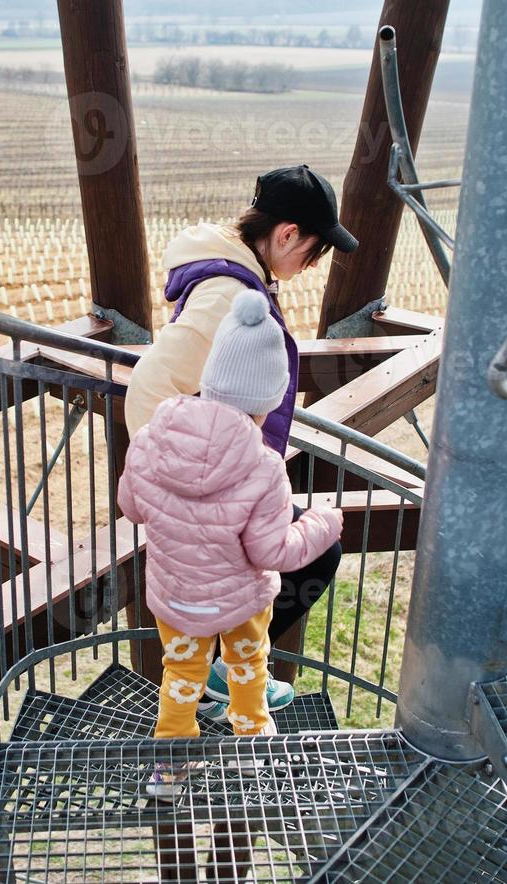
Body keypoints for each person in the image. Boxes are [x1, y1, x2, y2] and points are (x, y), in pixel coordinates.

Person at [122, 163, 357, 717]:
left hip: (190, 461)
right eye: (315, 252)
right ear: (287, 234)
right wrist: (209, 475)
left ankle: (194, 701)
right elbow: (161, 380)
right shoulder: (229, 291)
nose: (311, 266)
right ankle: (231, 678)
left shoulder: (228, 271)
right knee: (310, 557)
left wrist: (160, 466)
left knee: (216, 590)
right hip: (202, 469)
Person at [118, 291, 344, 798]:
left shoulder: (154, 436)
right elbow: (273, 554)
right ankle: (250, 758)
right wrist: (324, 524)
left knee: (180, 676)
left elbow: (131, 507)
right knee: (247, 670)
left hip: (175, 599)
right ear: (267, 402)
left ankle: (169, 772)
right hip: (241, 603)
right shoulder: (264, 468)